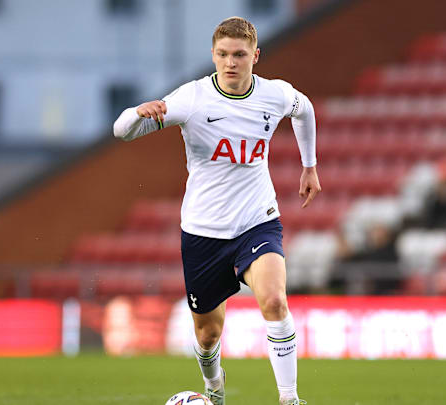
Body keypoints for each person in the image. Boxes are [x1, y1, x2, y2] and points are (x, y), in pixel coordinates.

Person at [113, 17, 320, 405]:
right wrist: (136, 113)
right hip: (203, 231)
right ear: (213, 55)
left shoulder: (275, 95)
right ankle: (214, 388)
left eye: (239, 55)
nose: (230, 63)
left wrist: (310, 165)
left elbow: (304, 110)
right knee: (208, 335)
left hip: (257, 221)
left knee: (275, 300)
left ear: (255, 56)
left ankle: (290, 399)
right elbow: (121, 131)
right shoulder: (192, 98)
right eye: (223, 54)